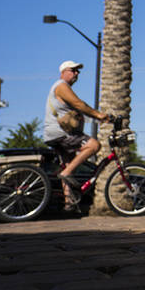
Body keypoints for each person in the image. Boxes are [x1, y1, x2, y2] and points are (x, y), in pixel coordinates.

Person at [44, 60, 109, 210]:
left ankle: (69, 202)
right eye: (73, 70)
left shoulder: (60, 87)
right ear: (63, 72)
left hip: (54, 134)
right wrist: (99, 115)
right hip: (60, 133)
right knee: (94, 145)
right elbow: (79, 104)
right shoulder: (61, 86)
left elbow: (78, 109)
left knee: (67, 163)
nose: (76, 73)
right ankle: (67, 173)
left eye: (78, 71)